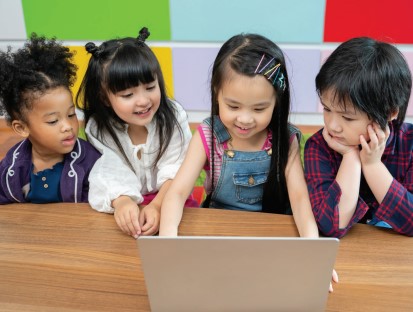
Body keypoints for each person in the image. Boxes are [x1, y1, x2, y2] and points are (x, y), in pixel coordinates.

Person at [76, 27, 194, 238]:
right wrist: (122, 201)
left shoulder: (174, 116)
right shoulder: (98, 128)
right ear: (105, 98)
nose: (143, 101)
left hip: (172, 197)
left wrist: (158, 206)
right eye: (128, 94)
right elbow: (108, 171)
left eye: (150, 87)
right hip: (127, 201)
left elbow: (178, 167)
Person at [304, 37, 413, 238]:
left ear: (389, 113)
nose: (333, 125)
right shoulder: (319, 146)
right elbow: (330, 225)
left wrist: (372, 166)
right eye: (327, 109)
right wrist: (351, 157)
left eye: (347, 117)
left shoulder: (410, 144)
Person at [0, 34, 101, 204]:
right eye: (53, 121)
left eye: (71, 115)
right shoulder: (12, 166)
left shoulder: (91, 161)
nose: (68, 126)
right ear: (22, 128)